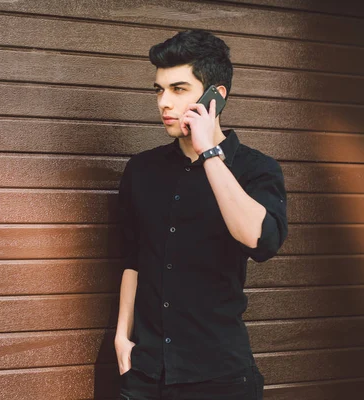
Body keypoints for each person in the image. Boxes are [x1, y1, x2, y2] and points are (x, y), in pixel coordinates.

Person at [115, 29, 288, 400]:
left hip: (219, 375)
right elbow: (134, 257)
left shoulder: (256, 169)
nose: (164, 103)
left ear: (216, 97)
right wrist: (121, 337)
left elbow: (260, 240)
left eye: (178, 89)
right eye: (159, 90)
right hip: (146, 372)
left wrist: (209, 151)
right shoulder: (142, 170)